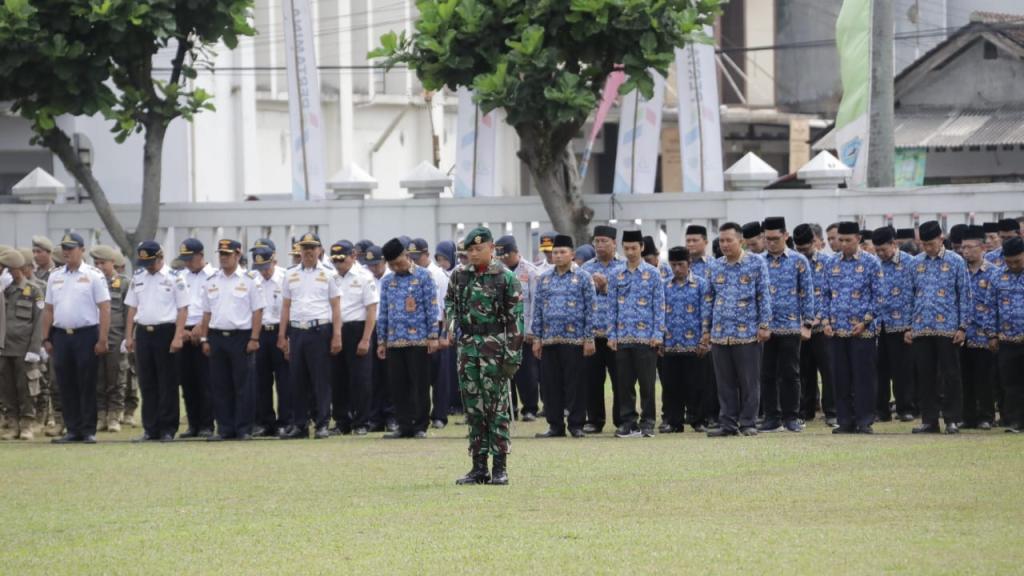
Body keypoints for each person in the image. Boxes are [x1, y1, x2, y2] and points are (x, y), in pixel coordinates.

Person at [446, 227, 523, 485]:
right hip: (467, 348)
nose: (474, 254)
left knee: (497, 408)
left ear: (491, 248)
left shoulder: (506, 277)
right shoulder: (459, 276)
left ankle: (500, 467)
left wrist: (512, 356)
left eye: (479, 249)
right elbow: (449, 303)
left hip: (495, 349)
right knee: (473, 409)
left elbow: (515, 321)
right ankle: (478, 467)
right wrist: (451, 323)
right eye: (470, 250)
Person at [41, 233, 111, 444]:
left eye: (71, 248)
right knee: (65, 383)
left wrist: (102, 339)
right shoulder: (55, 276)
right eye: (64, 248)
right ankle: (72, 429)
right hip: (61, 335)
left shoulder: (93, 275)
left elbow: (105, 308)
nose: (67, 252)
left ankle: (88, 429)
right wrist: (46, 337)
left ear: (82, 250)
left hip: (86, 334)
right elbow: (48, 309)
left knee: (87, 382)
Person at [704, 222, 771, 437]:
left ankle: (748, 422)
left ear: (740, 240)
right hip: (720, 334)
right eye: (721, 240)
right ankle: (728, 423)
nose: (724, 244)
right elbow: (708, 299)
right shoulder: (714, 266)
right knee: (725, 383)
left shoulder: (756, 263)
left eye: (729, 240)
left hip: (748, 333)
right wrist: (706, 330)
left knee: (749, 382)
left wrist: (764, 325)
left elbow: (764, 295)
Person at [907, 221, 971, 435]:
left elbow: (964, 295)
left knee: (951, 375)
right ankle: (929, 420)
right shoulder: (915, 263)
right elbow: (909, 297)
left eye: (931, 243)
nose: (927, 248)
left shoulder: (956, 262)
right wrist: (908, 326)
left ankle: (953, 419)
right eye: (923, 244)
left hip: (948, 328)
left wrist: (963, 327)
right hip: (921, 327)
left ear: (941, 239)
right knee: (925, 375)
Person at [278, 232, 342, 440]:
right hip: (296, 331)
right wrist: (282, 335)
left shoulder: (329, 273)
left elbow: (336, 306)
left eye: (312, 247)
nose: (307, 252)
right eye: (304, 247)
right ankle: (300, 425)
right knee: (297, 380)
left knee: (321, 380)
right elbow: (286, 306)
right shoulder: (290, 274)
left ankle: (322, 424)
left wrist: (337, 335)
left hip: (319, 330)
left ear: (319, 250)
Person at [199, 239, 265, 441]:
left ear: (238, 255)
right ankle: (225, 428)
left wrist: (254, 338)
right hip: (217, 336)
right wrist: (204, 338)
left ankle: (244, 428)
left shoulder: (249, 280)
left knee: (244, 386)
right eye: (221, 254)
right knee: (220, 385)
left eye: (227, 254)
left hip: (241, 337)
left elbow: (257, 311)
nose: (223, 258)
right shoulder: (211, 280)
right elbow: (206, 313)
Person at [531, 234, 595, 438]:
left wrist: (589, 338)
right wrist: (537, 338)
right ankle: (555, 425)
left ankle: (576, 424)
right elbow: (538, 309)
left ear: (572, 254)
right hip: (549, 340)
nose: (558, 256)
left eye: (562, 252)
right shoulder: (544, 278)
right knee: (551, 385)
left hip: (575, 340)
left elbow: (590, 309)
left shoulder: (583, 277)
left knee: (575, 383)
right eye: (555, 252)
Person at [124, 241, 189, 442]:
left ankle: (168, 428)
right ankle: (150, 428)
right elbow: (132, 308)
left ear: (161, 258)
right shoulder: (138, 278)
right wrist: (129, 335)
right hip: (143, 332)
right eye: (144, 262)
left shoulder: (174, 278)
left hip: (166, 331)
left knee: (167, 383)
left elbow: (183, 309)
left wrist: (178, 336)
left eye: (151, 261)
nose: (148, 266)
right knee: (147, 382)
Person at [822, 222, 883, 434]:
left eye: (848, 240)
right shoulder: (831, 264)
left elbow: (879, 297)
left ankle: (864, 420)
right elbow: (825, 295)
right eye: (841, 240)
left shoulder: (871, 263)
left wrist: (865, 321)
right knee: (841, 378)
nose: (844, 244)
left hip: (862, 332)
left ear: (858, 239)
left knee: (863, 378)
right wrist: (826, 322)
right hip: (837, 331)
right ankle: (845, 420)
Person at [377, 238, 438, 439]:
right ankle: (404, 425)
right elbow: (383, 312)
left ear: (406, 255)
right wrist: (381, 340)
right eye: (391, 265)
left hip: (419, 340)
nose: (395, 267)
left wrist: (433, 336)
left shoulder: (424, 277)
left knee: (419, 384)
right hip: (394, 341)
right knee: (398, 386)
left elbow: (432, 307)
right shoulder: (387, 281)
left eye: (398, 262)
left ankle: (420, 425)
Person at [608, 230, 665, 438]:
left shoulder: (653, 273)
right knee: (623, 384)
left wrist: (657, 334)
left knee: (647, 384)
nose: (630, 252)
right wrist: (611, 335)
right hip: (622, 337)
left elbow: (659, 306)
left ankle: (648, 421)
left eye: (634, 248)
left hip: (646, 338)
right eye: (626, 248)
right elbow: (611, 307)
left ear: (642, 247)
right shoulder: (616, 274)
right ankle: (627, 422)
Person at [758, 217, 814, 433]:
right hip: (765, 328)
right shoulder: (757, 262)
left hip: (791, 326)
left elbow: (807, 292)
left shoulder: (798, 261)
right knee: (767, 374)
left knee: (791, 373)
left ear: (785, 235)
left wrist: (807, 323)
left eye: (775, 238)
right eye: (767, 239)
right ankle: (772, 417)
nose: (771, 243)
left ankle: (791, 416)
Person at [328, 241, 379, 436]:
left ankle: (361, 421)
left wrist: (366, 338)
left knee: (361, 379)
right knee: (337, 378)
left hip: (357, 329)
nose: (339, 263)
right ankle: (342, 421)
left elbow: (371, 309)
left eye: (342, 259)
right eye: (335, 260)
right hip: (336, 330)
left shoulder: (364, 277)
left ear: (354, 256)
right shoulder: (330, 277)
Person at [580, 225, 624, 434]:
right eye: (596, 241)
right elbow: (579, 302)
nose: (599, 245)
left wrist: (606, 288)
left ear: (614, 243)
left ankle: (622, 419)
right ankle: (594, 420)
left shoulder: (624, 267)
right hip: (592, 335)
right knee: (592, 381)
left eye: (604, 241)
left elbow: (629, 300)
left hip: (617, 334)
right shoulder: (585, 269)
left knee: (621, 380)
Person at [661, 246, 710, 433]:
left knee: (697, 385)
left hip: (694, 344)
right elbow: (659, 313)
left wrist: (705, 338)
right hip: (671, 344)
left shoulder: (701, 284)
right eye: (673, 265)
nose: (677, 269)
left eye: (680, 264)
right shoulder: (664, 285)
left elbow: (706, 313)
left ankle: (699, 420)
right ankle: (674, 422)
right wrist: (660, 339)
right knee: (671, 386)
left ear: (689, 264)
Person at [873, 226, 917, 422]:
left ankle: (905, 408)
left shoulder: (911, 263)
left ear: (894, 244)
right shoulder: (873, 264)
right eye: (877, 250)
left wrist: (911, 326)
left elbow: (917, 295)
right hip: (877, 325)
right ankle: (881, 410)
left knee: (902, 371)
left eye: (884, 249)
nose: (881, 254)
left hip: (901, 325)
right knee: (879, 370)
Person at [407, 238, 453, 428]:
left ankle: (440, 415)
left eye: (417, 257)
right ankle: (421, 414)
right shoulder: (412, 274)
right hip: (418, 331)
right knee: (420, 376)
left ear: (426, 255)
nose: (414, 260)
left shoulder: (438, 275)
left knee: (439, 377)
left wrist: (444, 334)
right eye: (411, 257)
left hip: (438, 326)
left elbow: (447, 307)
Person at [793, 224, 836, 426]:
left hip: (822, 327)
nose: (802, 253)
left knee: (828, 371)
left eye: (806, 249)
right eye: (798, 249)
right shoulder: (792, 263)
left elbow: (831, 294)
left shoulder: (828, 262)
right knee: (804, 372)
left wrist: (817, 319)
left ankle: (831, 411)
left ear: (815, 242)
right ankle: (805, 411)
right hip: (799, 329)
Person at [496, 235, 540, 422]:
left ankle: (530, 407)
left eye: (506, 255)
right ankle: (509, 405)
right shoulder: (496, 271)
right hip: (503, 328)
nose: (503, 258)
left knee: (526, 370)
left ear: (515, 252)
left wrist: (531, 330)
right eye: (500, 255)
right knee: (504, 369)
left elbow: (535, 302)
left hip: (523, 329)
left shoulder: (530, 271)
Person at [0, 250, 43, 440]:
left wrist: (34, 348)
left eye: (10, 270)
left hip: (24, 349)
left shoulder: (33, 290)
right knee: (7, 388)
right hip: (4, 348)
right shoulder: (3, 290)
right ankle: (12, 423)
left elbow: (39, 321)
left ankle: (27, 424)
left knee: (25, 388)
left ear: (18, 270)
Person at [177, 238, 216, 438]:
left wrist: (202, 327)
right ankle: (193, 424)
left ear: (201, 255)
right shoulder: (180, 277)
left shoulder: (214, 276)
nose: (187, 263)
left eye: (190, 259)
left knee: (206, 381)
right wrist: (181, 329)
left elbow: (216, 305)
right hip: (183, 331)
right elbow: (175, 305)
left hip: (205, 329)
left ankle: (207, 424)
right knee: (188, 381)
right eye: (184, 259)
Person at [250, 245, 290, 437]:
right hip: (259, 333)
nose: (264, 272)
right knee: (261, 381)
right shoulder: (252, 279)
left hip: (279, 331)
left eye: (266, 267)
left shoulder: (286, 278)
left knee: (285, 380)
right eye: (260, 268)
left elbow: (290, 307)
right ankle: (265, 422)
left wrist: (286, 336)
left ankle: (285, 422)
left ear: (274, 261)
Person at [960, 226, 997, 429]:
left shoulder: (993, 273)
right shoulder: (959, 271)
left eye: (970, 247)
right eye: (963, 248)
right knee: (964, 378)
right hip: (962, 334)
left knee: (984, 378)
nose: (965, 252)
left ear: (982, 247)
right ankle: (968, 416)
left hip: (983, 334)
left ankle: (986, 416)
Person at [89, 245, 129, 432]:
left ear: (113, 263)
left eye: (102, 263)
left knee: (116, 378)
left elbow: (129, 312)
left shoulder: (124, 283)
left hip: (116, 336)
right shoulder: (91, 281)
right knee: (97, 378)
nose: (99, 266)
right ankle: (101, 415)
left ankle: (114, 415)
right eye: (96, 263)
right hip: (94, 336)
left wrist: (128, 337)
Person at [991, 237, 1024, 433]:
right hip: (1007, 340)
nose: (1012, 265)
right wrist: (992, 335)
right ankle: (1014, 421)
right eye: (1008, 262)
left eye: (1017, 261)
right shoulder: (997, 277)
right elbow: (989, 308)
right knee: (1010, 384)